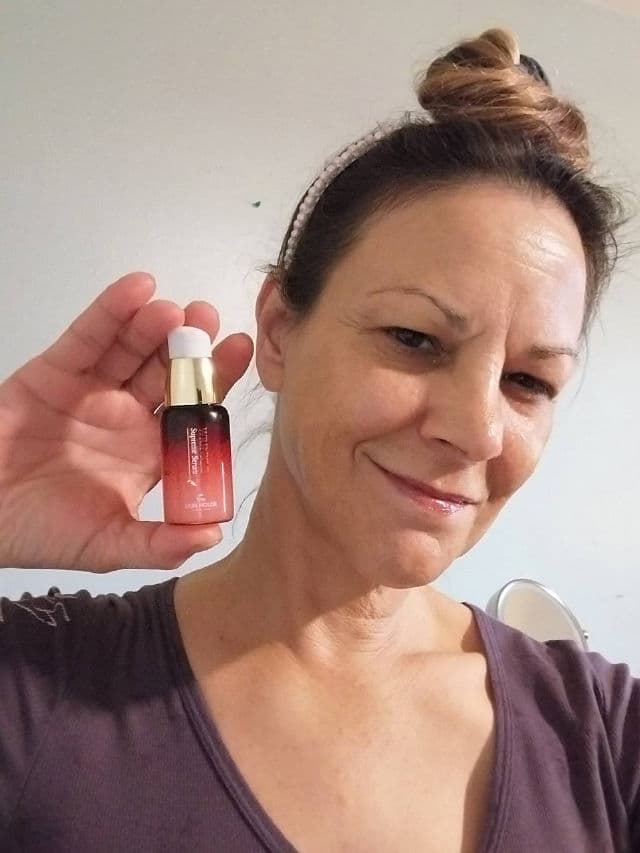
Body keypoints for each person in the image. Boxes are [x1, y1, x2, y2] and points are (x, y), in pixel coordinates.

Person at [0, 26, 636, 853]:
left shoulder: (603, 739)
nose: (478, 429)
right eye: (414, 338)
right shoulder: (37, 690)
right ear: (278, 331)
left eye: (529, 381)